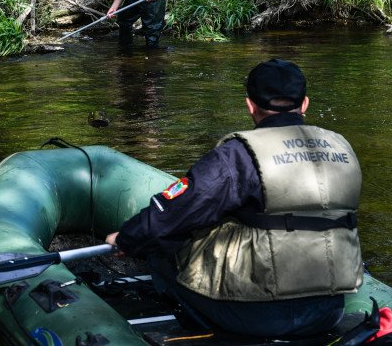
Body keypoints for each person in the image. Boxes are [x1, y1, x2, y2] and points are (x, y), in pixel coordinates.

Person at [106, 59, 363, 337]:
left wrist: (127, 238)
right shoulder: (341, 146)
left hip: (256, 316)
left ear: (250, 105)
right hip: (330, 310)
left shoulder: (238, 154)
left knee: (161, 249)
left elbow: (178, 211)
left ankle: (202, 330)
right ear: (305, 104)